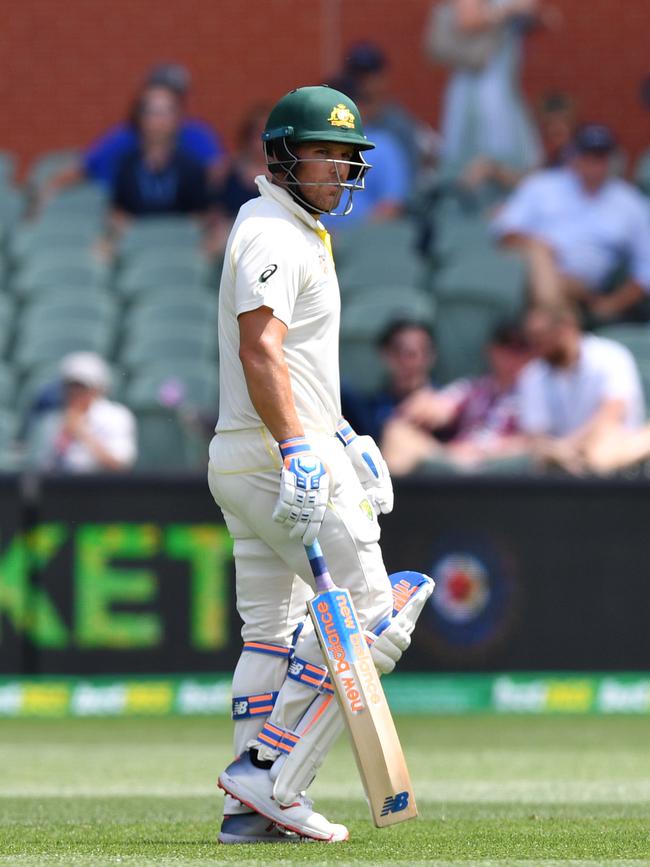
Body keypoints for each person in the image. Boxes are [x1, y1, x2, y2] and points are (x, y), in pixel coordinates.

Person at [207, 85, 433, 843]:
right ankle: (271, 773)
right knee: (374, 617)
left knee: (272, 632)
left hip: (254, 453)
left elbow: (294, 360)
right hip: (278, 454)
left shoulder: (287, 226)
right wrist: (303, 448)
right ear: (282, 155)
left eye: (346, 156)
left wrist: (342, 436)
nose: (338, 168)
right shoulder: (274, 232)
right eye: (323, 152)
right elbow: (260, 348)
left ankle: (248, 807)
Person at [493, 124, 650, 321]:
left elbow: (646, 266)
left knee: (546, 277)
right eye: (587, 157)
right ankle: (556, 323)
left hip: (583, 288)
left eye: (599, 157)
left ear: (611, 160)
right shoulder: (542, 185)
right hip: (525, 272)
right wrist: (536, 245)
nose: (593, 165)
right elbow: (504, 232)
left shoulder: (630, 203)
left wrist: (612, 304)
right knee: (539, 257)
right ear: (573, 156)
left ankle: (547, 322)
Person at [38, 63, 225, 203]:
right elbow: (84, 168)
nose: (159, 119)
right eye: (152, 109)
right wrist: (48, 191)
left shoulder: (197, 136)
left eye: (168, 106)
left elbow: (218, 174)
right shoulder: (122, 138)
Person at [381, 322, 532, 474]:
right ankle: (385, 497)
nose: (510, 356)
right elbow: (435, 409)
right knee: (397, 433)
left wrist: (482, 450)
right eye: (505, 347)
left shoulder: (537, 392)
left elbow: (540, 442)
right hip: (458, 466)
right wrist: (424, 402)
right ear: (491, 350)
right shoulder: (474, 388)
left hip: (508, 469)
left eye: (519, 349)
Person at [518, 303, 650, 475]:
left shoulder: (610, 355)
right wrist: (557, 451)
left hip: (616, 445)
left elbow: (610, 416)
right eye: (531, 338)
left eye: (542, 336)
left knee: (605, 450)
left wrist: (569, 446)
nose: (536, 344)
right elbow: (536, 432)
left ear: (566, 328)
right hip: (562, 455)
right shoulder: (533, 374)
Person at [426, 0, 549, 178]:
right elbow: (467, 21)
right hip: (480, 81)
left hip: (503, 82)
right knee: (485, 146)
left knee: (514, 154)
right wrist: (509, 10)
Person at [110, 84, 210, 220]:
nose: (159, 120)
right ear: (140, 117)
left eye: (166, 112)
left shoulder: (192, 168)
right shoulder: (126, 165)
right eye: (152, 112)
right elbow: (118, 210)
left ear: (178, 117)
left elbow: (202, 215)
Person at [31, 353, 137, 473]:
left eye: (82, 387)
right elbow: (43, 467)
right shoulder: (53, 418)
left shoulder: (117, 416)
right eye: (70, 386)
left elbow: (119, 465)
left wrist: (80, 432)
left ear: (99, 388)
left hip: (102, 486)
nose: (75, 392)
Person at [342, 319, 438, 442]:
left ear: (433, 355)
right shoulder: (367, 411)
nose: (412, 361)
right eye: (401, 351)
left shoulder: (452, 404)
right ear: (384, 354)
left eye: (422, 351)